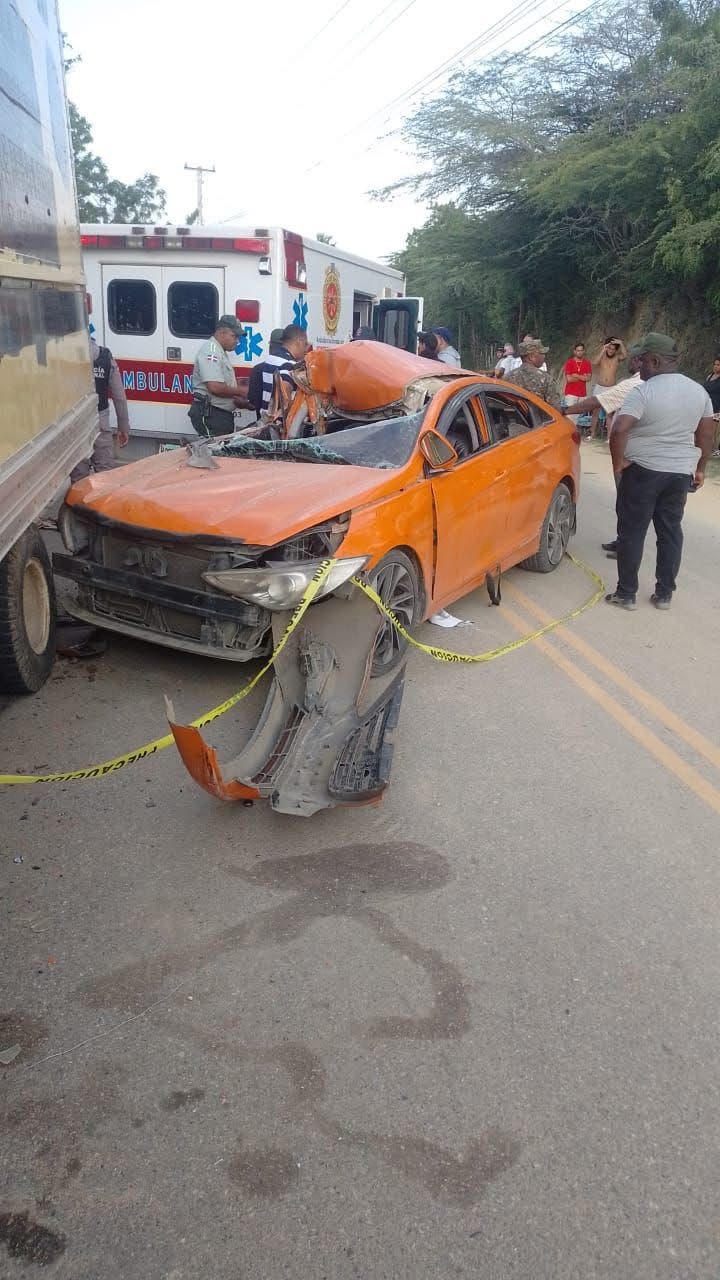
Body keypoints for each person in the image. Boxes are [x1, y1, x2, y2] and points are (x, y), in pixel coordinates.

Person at [605, 332, 715, 612]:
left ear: (654, 360)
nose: (638, 366)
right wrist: (699, 469)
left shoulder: (643, 391)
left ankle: (626, 593)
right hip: (679, 474)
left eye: (641, 360)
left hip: (643, 470)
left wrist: (618, 464)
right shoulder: (698, 391)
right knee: (670, 532)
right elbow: (705, 436)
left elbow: (619, 428)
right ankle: (664, 594)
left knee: (632, 531)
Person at [70, 337, 130, 482]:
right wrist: (123, 427)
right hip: (100, 421)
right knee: (106, 475)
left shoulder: (68, 359)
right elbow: (119, 396)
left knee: (79, 478)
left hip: (77, 423)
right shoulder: (105, 356)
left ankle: (79, 502)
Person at [189, 316, 251, 437]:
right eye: (234, 336)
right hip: (211, 416)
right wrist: (242, 391)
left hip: (219, 415)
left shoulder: (219, 351)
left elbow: (223, 384)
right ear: (222, 332)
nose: (237, 341)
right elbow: (215, 387)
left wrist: (239, 398)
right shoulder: (211, 351)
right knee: (213, 452)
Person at [252, 323, 308, 414]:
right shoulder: (289, 364)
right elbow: (284, 397)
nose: (306, 350)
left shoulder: (270, 359)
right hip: (281, 422)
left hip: (267, 419)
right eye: (305, 344)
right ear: (299, 341)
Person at [505, 338, 562, 408]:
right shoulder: (545, 379)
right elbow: (556, 409)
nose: (544, 356)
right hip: (540, 418)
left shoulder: (507, 378)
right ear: (531, 357)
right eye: (541, 353)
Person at [589, 336, 627, 438]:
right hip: (599, 387)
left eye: (613, 349)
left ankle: (609, 437)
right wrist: (603, 349)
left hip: (611, 387)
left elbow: (625, 356)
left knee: (609, 413)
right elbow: (595, 362)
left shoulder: (617, 357)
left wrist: (621, 342)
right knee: (595, 411)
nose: (610, 351)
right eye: (609, 348)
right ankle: (592, 434)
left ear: (616, 350)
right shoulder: (602, 356)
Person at [562, 342, 592, 416]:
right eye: (578, 350)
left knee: (580, 417)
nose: (580, 352)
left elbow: (588, 378)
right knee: (570, 416)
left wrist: (576, 375)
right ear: (574, 351)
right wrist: (583, 377)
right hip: (571, 394)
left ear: (584, 351)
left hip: (582, 394)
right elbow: (569, 379)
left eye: (581, 350)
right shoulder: (569, 362)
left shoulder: (587, 363)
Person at [702, 355, 720, 454]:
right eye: (715, 364)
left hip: (717, 410)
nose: (716, 366)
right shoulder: (710, 376)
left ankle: (715, 450)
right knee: (704, 431)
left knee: (713, 433)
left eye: (718, 365)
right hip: (705, 408)